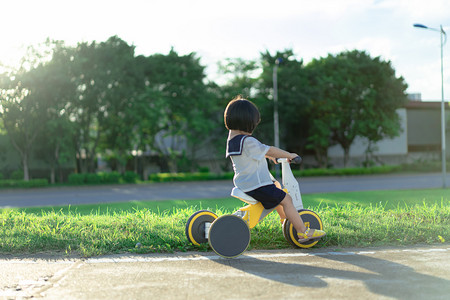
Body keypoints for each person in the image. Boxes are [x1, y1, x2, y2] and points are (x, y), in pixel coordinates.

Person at [224, 95, 326, 242]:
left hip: (245, 184)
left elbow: (250, 155)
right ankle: (302, 232)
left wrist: (267, 156)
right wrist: (289, 154)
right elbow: (269, 150)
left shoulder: (232, 140)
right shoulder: (248, 141)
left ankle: (285, 221)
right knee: (287, 199)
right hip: (257, 186)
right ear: (247, 123)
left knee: (277, 188)